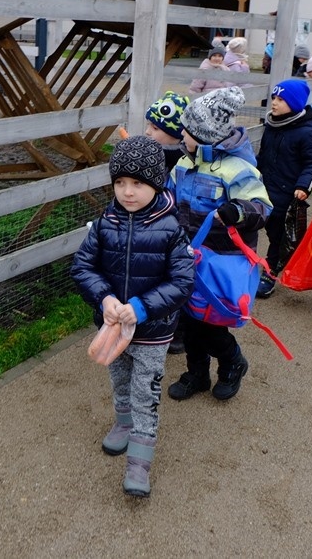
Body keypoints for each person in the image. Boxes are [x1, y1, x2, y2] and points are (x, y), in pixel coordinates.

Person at [70, 135, 194, 498]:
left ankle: (140, 461)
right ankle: (123, 424)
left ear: (155, 183)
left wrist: (141, 308)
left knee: (145, 391)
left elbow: (182, 281)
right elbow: (82, 266)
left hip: (152, 330)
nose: (127, 191)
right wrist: (104, 297)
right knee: (120, 380)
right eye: (120, 182)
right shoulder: (105, 222)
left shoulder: (171, 228)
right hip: (112, 327)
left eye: (138, 183)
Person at [166, 86, 273, 402]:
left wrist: (237, 211)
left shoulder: (237, 169)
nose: (181, 134)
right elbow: (169, 199)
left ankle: (232, 363)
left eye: (186, 130)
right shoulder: (183, 164)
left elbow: (261, 206)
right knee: (189, 318)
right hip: (187, 256)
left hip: (222, 260)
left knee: (211, 322)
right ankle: (197, 374)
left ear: (202, 134)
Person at [255, 79, 312, 298]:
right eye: (274, 98)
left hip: (286, 193)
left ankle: (270, 272)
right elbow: (263, 155)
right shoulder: (271, 125)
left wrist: (304, 185)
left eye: (281, 99)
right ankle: (246, 263)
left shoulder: (307, 131)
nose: (274, 103)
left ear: (294, 104)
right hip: (262, 188)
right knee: (253, 225)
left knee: (278, 235)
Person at [142, 90, 189, 354]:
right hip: (151, 230)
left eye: (155, 128)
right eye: (148, 126)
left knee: (175, 279)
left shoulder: (184, 162)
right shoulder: (147, 155)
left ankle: (178, 330)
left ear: (177, 133)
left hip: (176, 231)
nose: (148, 132)